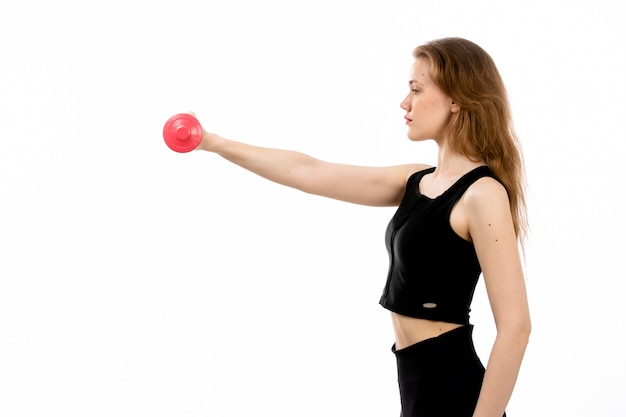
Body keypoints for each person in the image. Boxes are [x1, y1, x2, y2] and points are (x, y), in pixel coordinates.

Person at [190, 37, 530, 417]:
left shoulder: (483, 194)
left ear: (456, 100)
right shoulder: (417, 181)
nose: (405, 103)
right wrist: (214, 142)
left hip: (454, 392)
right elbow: (311, 172)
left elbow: (515, 328)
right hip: (415, 386)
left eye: (416, 90)